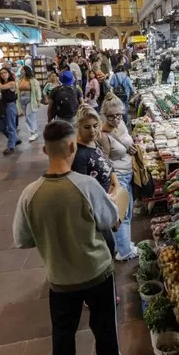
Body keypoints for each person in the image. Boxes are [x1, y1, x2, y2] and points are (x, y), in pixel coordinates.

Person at [13, 120, 129, 355]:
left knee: (63, 336)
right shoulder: (86, 186)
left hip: (60, 279)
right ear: (71, 146)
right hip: (97, 273)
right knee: (105, 330)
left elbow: (22, 239)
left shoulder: (30, 194)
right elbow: (110, 220)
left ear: (45, 150)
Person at [71, 105, 123, 258]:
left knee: (110, 246)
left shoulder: (94, 143)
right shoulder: (80, 156)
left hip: (109, 202)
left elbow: (108, 164)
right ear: (78, 127)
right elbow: (83, 192)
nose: (92, 131)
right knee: (106, 249)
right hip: (98, 212)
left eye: (95, 126)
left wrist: (117, 185)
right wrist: (106, 203)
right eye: (87, 127)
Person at [99, 93, 137, 261]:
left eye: (118, 115)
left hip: (127, 174)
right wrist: (112, 185)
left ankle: (123, 245)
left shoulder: (122, 125)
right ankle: (124, 252)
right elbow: (105, 162)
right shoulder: (103, 134)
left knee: (126, 213)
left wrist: (131, 148)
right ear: (104, 115)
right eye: (111, 116)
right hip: (119, 178)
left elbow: (125, 143)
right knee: (123, 216)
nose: (116, 119)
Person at [0, 68, 20, 155]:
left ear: (9, 73)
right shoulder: (3, 83)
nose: (3, 74)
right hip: (3, 106)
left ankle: (11, 146)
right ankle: (15, 139)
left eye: (5, 72)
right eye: (1, 73)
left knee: (11, 126)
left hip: (10, 106)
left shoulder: (12, 83)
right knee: (1, 127)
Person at [18, 65, 42, 142]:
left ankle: (33, 132)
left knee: (31, 117)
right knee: (26, 117)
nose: (21, 71)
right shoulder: (20, 80)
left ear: (26, 71)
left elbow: (37, 91)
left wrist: (38, 100)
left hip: (31, 100)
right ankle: (33, 131)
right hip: (22, 100)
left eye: (22, 70)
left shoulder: (33, 80)